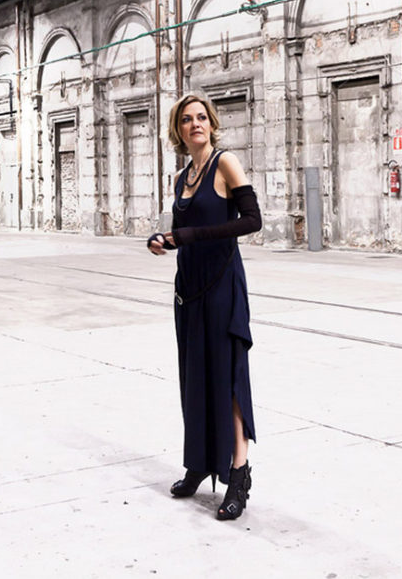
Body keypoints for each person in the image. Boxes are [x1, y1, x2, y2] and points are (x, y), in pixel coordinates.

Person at [147, 93, 262, 521]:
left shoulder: (225, 163)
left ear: (211, 124)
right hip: (189, 288)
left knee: (228, 378)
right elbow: (182, 231)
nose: (195, 124)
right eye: (186, 119)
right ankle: (197, 462)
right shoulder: (181, 177)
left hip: (222, 285)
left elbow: (252, 221)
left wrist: (192, 236)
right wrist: (162, 241)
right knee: (193, 376)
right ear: (178, 130)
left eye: (201, 118)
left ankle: (237, 474)